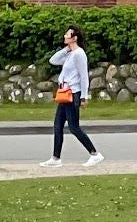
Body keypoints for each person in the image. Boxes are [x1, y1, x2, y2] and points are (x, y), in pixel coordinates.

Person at [41, 26, 104, 167]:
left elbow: (84, 76)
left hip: (73, 93)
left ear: (74, 38)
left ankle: (95, 154)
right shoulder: (70, 54)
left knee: (74, 127)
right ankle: (56, 158)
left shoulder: (79, 54)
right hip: (64, 93)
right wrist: (66, 49)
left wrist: (83, 97)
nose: (65, 36)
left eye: (68, 34)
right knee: (58, 125)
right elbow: (53, 60)